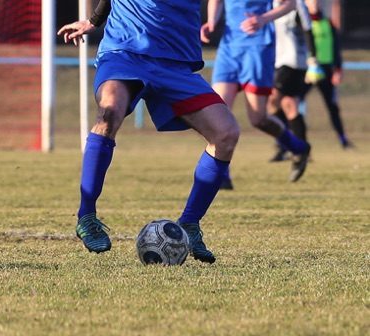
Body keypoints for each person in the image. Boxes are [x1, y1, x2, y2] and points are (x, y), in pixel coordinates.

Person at [58, 0, 241, 264]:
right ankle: (86, 216)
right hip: (125, 51)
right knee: (109, 112)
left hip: (175, 62)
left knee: (226, 133)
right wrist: (94, 20)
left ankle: (189, 224)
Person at [202, 0, 312, 187]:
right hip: (229, 47)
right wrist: (212, 20)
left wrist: (262, 19)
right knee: (217, 115)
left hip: (257, 47)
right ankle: (222, 175)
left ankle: (299, 148)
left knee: (258, 118)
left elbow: (291, 4)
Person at [268, 0, 321, 162]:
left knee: (272, 100)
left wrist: (313, 59)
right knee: (289, 105)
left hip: (292, 62)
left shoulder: (297, 5)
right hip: (276, 61)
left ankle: (288, 145)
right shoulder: (270, 4)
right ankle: (300, 148)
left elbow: (308, 30)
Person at [301, 0, 352, 148]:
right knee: (293, 103)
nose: (315, 4)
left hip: (326, 69)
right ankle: (294, 142)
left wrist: (338, 69)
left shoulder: (328, 23)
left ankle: (343, 139)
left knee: (332, 106)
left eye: (317, 2)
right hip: (308, 69)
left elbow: (336, 48)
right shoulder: (303, 23)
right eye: (311, 2)